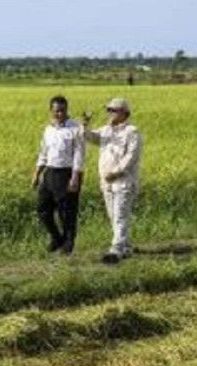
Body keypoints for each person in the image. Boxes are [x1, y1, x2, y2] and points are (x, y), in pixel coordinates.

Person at [82, 98, 142, 264]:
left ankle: (116, 249)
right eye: (108, 110)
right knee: (113, 215)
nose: (110, 113)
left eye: (113, 110)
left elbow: (131, 156)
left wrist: (115, 173)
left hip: (124, 181)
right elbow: (90, 138)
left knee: (120, 215)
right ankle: (127, 246)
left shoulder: (132, 132)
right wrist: (85, 124)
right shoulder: (106, 130)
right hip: (106, 182)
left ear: (124, 113)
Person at [31, 95, 85, 254]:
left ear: (67, 110)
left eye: (62, 110)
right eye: (56, 111)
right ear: (51, 111)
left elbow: (79, 155)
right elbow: (43, 153)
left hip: (67, 172)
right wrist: (36, 174)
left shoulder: (76, 129)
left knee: (66, 211)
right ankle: (56, 237)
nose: (59, 114)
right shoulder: (48, 129)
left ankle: (68, 243)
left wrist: (75, 177)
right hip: (50, 172)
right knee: (42, 209)